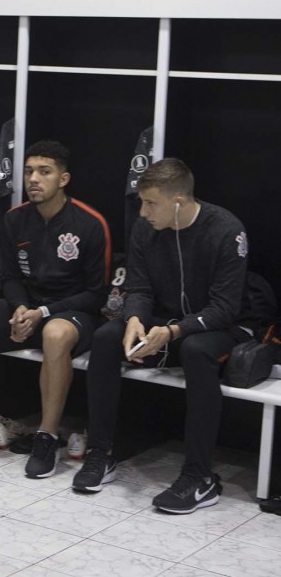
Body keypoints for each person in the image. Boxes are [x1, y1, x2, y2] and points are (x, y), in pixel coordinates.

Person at [72, 158, 250, 515]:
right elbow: (138, 286)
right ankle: (100, 453)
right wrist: (135, 317)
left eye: (151, 203)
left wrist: (174, 331)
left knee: (198, 351)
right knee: (108, 337)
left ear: (179, 201)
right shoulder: (145, 229)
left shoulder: (226, 230)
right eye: (142, 201)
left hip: (220, 330)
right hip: (164, 323)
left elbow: (225, 308)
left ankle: (199, 477)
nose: (143, 211)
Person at [0, 140, 111, 479]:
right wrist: (19, 309)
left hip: (70, 313)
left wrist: (41, 314)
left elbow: (95, 294)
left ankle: (46, 435)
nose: (34, 179)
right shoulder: (15, 219)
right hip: (26, 308)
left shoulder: (90, 223)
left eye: (44, 172)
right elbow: (10, 277)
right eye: (29, 172)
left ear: (64, 179)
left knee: (56, 334)